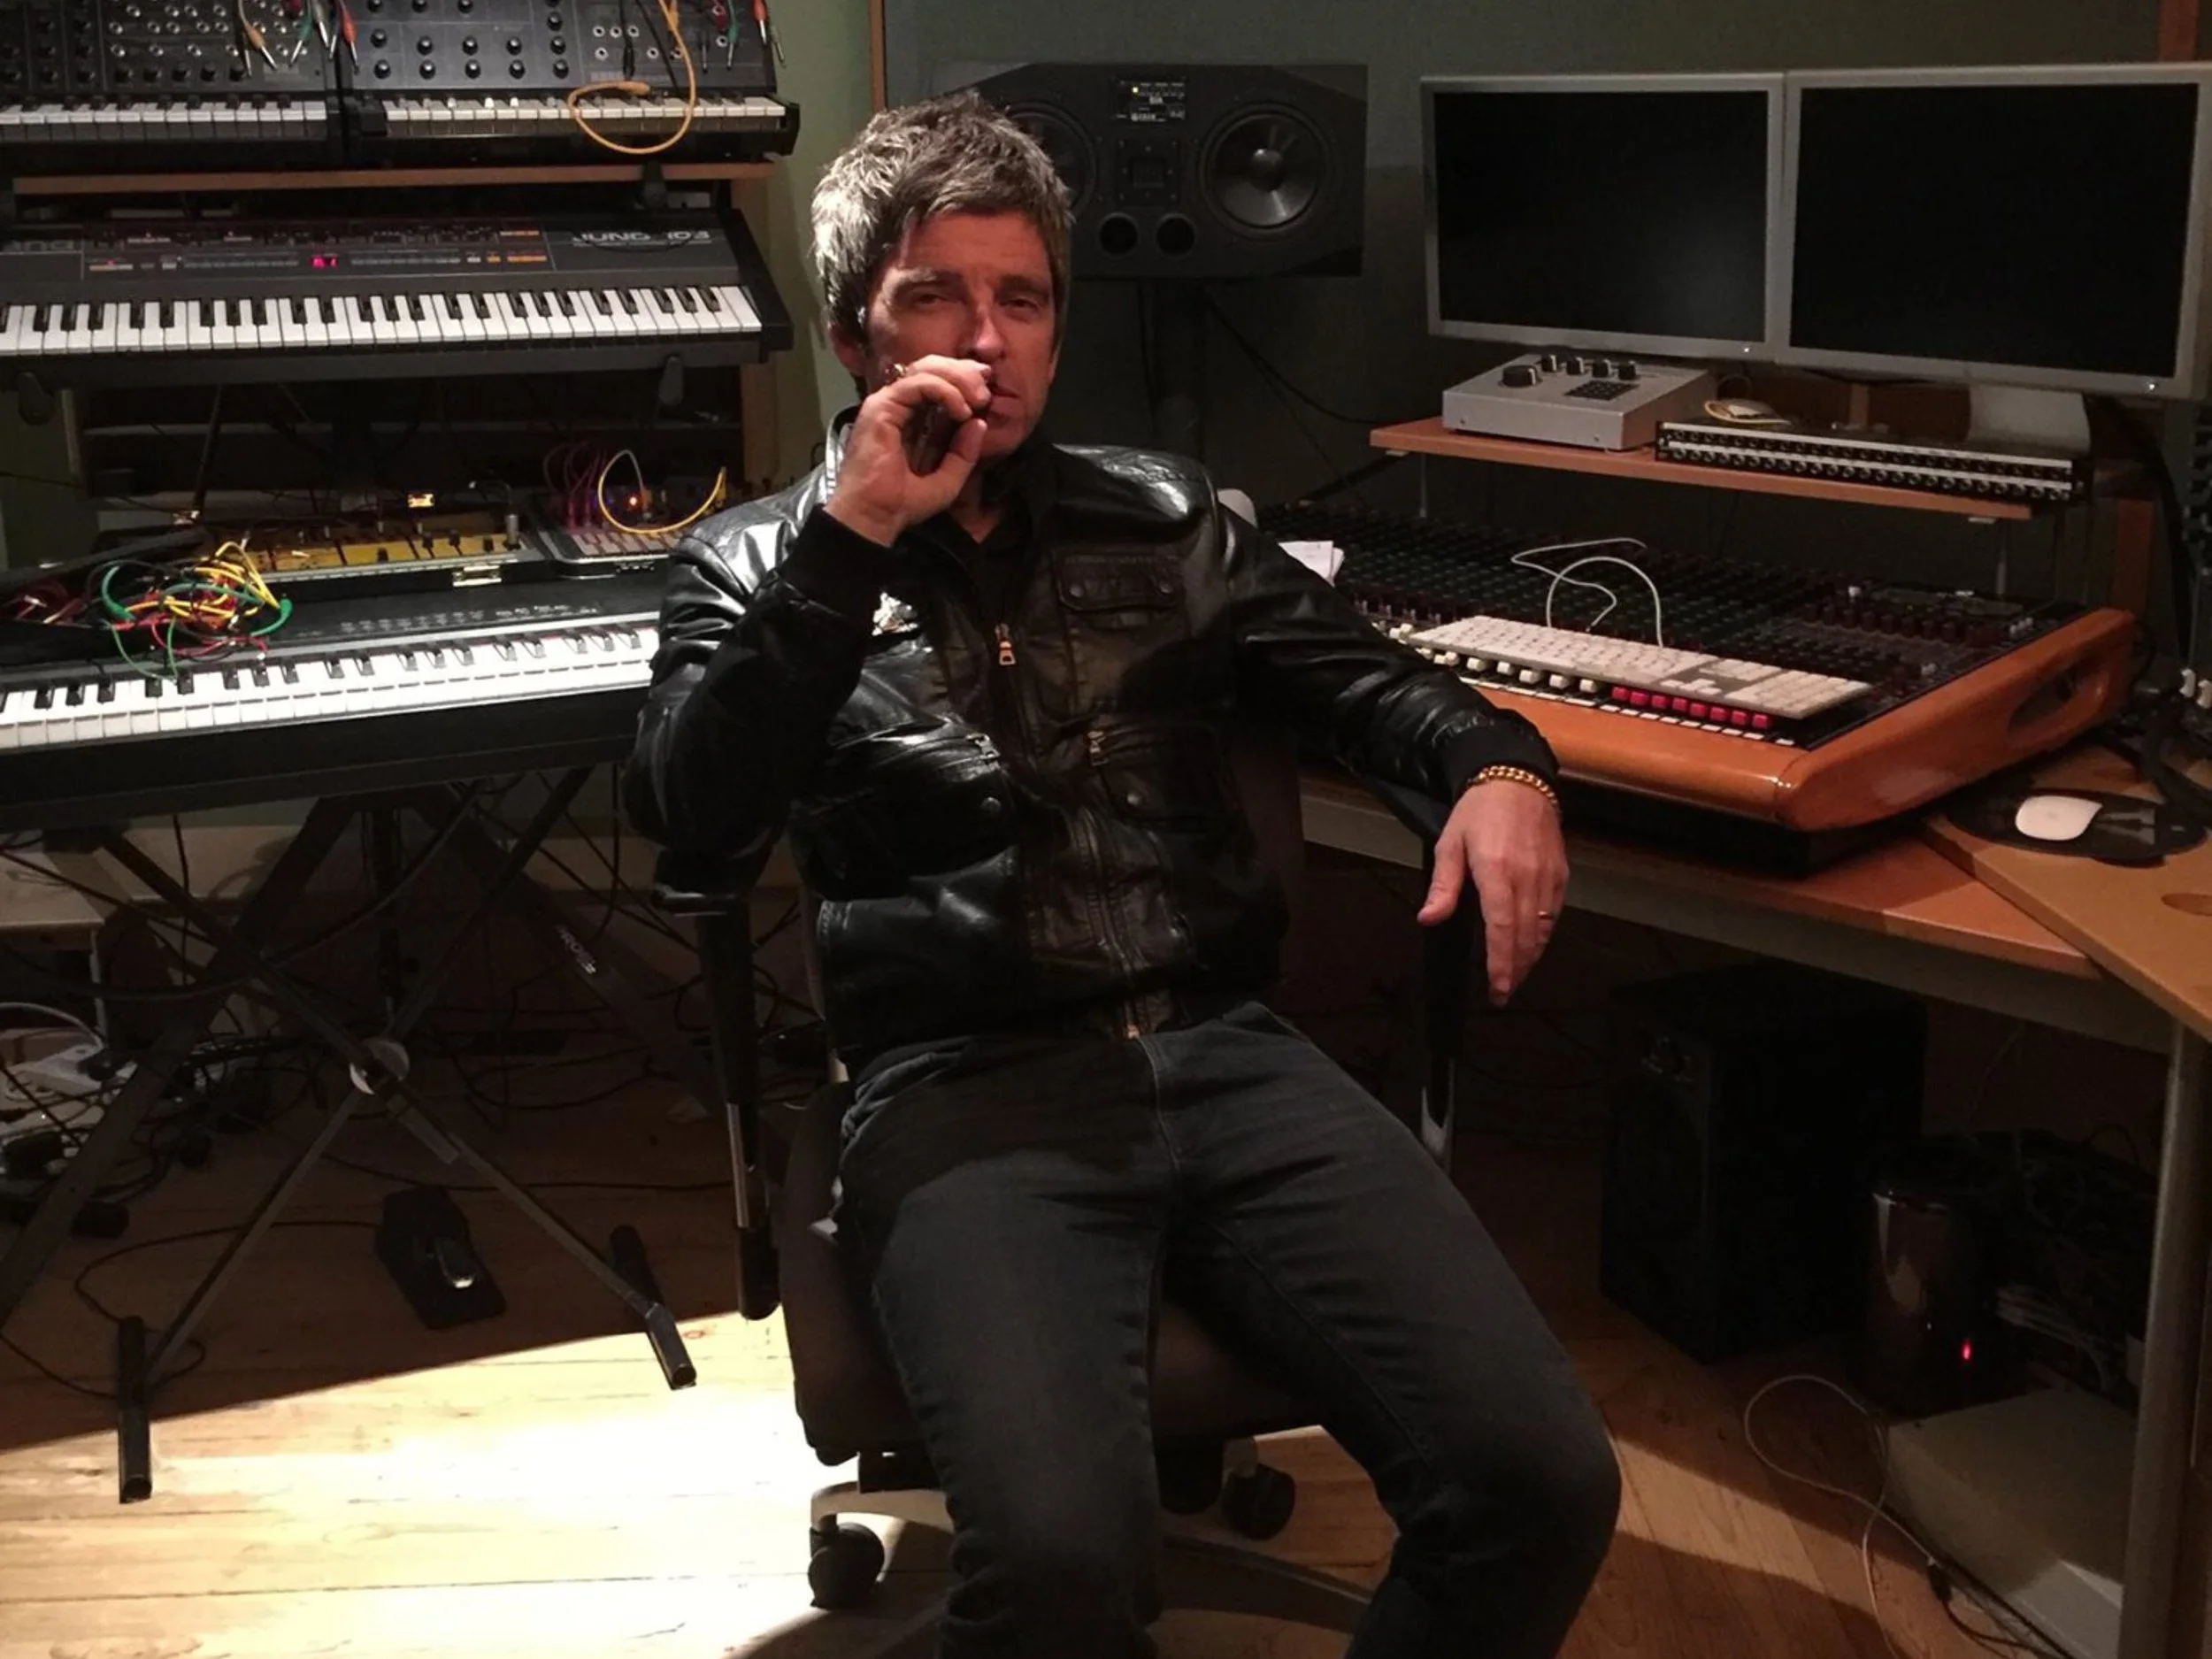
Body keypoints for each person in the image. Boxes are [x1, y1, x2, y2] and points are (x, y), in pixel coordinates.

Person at [627, 90, 1618, 1659]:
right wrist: (854, 533)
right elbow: (694, 819)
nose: (988, 339)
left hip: (1226, 1057)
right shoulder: (754, 564)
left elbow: (1392, 697)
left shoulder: (1167, 521)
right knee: (1062, 1574)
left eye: (1023, 298)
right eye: (938, 297)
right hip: (960, 1089)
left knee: (1541, 1486)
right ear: (855, 328)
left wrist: (1506, 774)